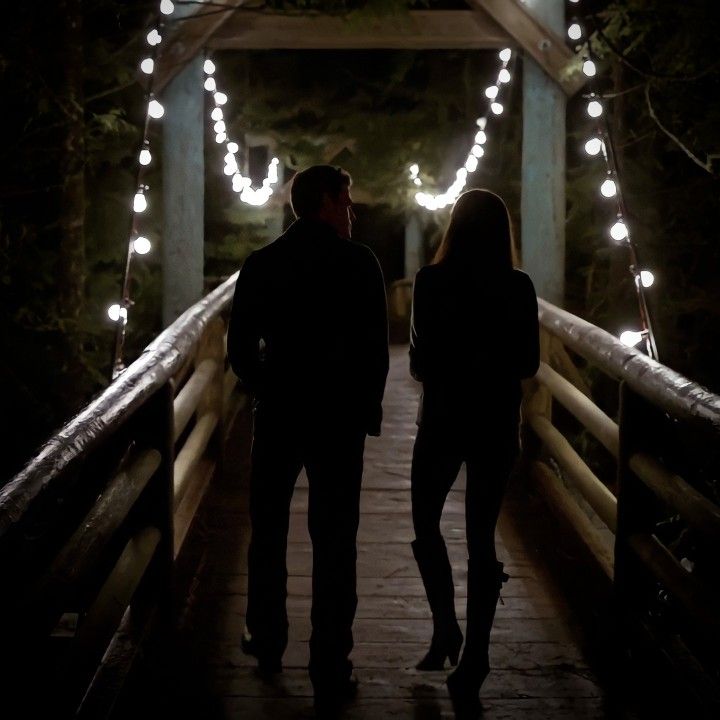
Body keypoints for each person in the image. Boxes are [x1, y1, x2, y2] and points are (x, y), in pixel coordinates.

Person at [227, 165, 389, 715]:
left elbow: (240, 348)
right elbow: (374, 348)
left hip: (279, 413)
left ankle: (268, 639)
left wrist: (263, 385)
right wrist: (368, 409)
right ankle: (330, 662)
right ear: (324, 201)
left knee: (268, 529)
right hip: (339, 418)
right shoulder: (360, 264)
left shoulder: (263, 263)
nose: (352, 209)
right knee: (335, 538)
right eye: (346, 198)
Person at [408, 189, 539, 714]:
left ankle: (446, 630)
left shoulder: (431, 280)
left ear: (455, 227)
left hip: (442, 419)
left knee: (425, 523)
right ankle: (475, 656)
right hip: (495, 422)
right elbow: (528, 362)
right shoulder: (518, 286)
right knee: (481, 535)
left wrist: (447, 364)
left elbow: (419, 362)